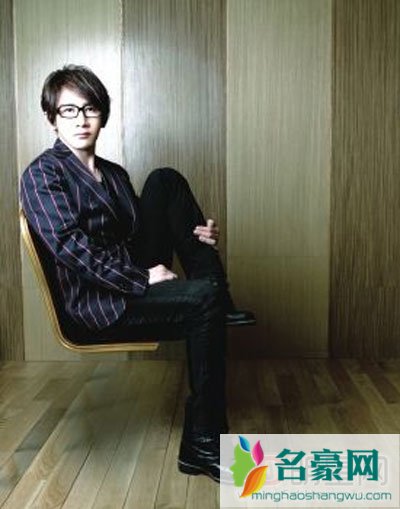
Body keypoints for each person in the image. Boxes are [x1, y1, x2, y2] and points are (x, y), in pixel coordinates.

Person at [20, 65, 255, 483]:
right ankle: (203, 445)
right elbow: (70, 248)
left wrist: (194, 234)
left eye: (90, 108)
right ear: (52, 118)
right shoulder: (43, 174)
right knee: (203, 301)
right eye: (69, 110)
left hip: (127, 273)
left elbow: (139, 234)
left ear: (103, 114)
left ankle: (219, 292)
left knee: (165, 180)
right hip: (95, 303)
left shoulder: (113, 173)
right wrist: (141, 279)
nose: (81, 119)